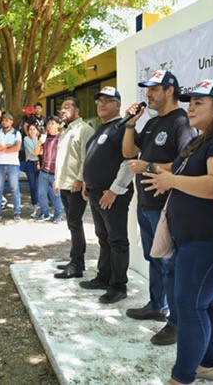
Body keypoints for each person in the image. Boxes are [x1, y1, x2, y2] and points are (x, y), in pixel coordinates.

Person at [142, 80, 213, 384]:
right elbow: (185, 178)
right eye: (190, 102)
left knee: (190, 306)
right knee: (208, 302)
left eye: (199, 102)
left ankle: (182, 377)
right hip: (192, 240)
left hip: (207, 242)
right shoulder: (202, 139)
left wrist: (172, 182)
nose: (191, 107)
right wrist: (164, 176)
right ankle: (208, 365)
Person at [122, 69, 197, 346]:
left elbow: (185, 164)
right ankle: (156, 305)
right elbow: (128, 152)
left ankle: (176, 323)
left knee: (170, 263)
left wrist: (148, 166)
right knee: (154, 258)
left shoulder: (181, 121)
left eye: (154, 89)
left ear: (170, 90)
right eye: (147, 89)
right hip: (145, 203)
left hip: (165, 206)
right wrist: (131, 124)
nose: (148, 94)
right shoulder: (154, 122)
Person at [80, 86, 134, 304]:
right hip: (95, 193)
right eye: (99, 100)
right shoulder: (101, 129)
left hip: (112, 195)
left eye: (108, 100)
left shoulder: (122, 128)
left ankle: (119, 286)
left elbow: (128, 162)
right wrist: (86, 182)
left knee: (117, 240)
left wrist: (115, 190)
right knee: (104, 239)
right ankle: (104, 277)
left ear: (118, 105)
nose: (101, 104)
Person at [53, 98, 95, 279]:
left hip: (75, 186)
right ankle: (77, 261)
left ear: (77, 111)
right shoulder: (65, 131)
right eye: (61, 108)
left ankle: (76, 264)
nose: (63, 110)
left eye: (67, 107)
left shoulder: (84, 129)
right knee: (72, 224)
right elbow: (61, 159)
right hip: (64, 184)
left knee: (75, 224)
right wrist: (56, 180)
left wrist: (80, 179)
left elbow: (87, 158)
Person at [0, 112, 22, 222]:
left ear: (11, 121)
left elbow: (16, 148)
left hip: (13, 164)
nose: (4, 122)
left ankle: (17, 212)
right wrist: (8, 146)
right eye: (3, 120)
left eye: (7, 120)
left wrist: (1, 148)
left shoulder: (17, 133)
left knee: (15, 189)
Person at [34, 116, 62, 223]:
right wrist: (39, 143)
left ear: (57, 125)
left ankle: (58, 215)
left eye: (52, 123)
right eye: (48, 123)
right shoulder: (45, 138)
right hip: (44, 171)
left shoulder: (61, 138)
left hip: (56, 172)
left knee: (57, 195)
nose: (50, 126)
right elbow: (36, 153)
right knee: (41, 194)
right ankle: (45, 214)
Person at [22, 123, 40, 217]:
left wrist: (39, 151)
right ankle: (35, 205)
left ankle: (42, 205)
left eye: (34, 129)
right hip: (30, 164)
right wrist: (39, 150)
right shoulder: (26, 139)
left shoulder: (40, 140)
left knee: (41, 186)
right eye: (30, 129)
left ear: (37, 131)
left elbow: (41, 153)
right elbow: (33, 152)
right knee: (33, 186)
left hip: (40, 164)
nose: (32, 131)